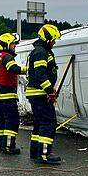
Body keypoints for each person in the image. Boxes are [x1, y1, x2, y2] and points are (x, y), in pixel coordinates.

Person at [27, 24, 61, 164]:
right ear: (47, 39)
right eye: (53, 40)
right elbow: (40, 73)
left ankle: (35, 151)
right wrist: (50, 91)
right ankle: (45, 154)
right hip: (40, 93)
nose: (54, 43)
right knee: (48, 122)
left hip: (36, 93)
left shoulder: (40, 51)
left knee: (39, 122)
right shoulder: (41, 52)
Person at [0, 33, 26, 154]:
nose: (14, 46)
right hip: (6, 93)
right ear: (6, 44)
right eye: (12, 44)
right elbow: (14, 69)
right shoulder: (7, 57)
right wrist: (28, 69)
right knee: (12, 119)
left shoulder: (0, 56)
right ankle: (8, 146)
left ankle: (0, 144)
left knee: (1, 120)